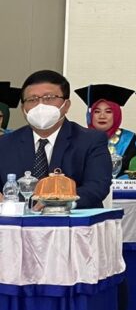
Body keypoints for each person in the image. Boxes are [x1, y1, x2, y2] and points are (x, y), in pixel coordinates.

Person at [0, 70, 112, 209]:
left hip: (72, 225)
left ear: (66, 105)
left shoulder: (90, 140)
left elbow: (97, 187)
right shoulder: (4, 144)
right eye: (32, 99)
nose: (40, 105)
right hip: (15, 226)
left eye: (49, 98)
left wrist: (55, 202)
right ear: (23, 109)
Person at [74, 84, 136, 166]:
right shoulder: (78, 139)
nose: (102, 116)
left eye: (108, 112)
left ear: (116, 115)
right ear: (91, 115)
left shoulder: (130, 140)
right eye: (97, 111)